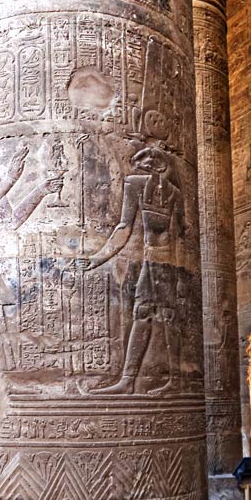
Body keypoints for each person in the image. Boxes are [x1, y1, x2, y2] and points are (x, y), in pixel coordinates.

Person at [77, 145, 185, 394]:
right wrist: (98, 258)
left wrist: (180, 277)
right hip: (151, 260)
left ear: (162, 166)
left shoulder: (174, 194)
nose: (146, 168)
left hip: (166, 263)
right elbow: (124, 227)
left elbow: (179, 236)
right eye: (143, 165)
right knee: (143, 312)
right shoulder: (135, 184)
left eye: (151, 164)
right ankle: (128, 380)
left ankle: (176, 380)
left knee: (168, 316)